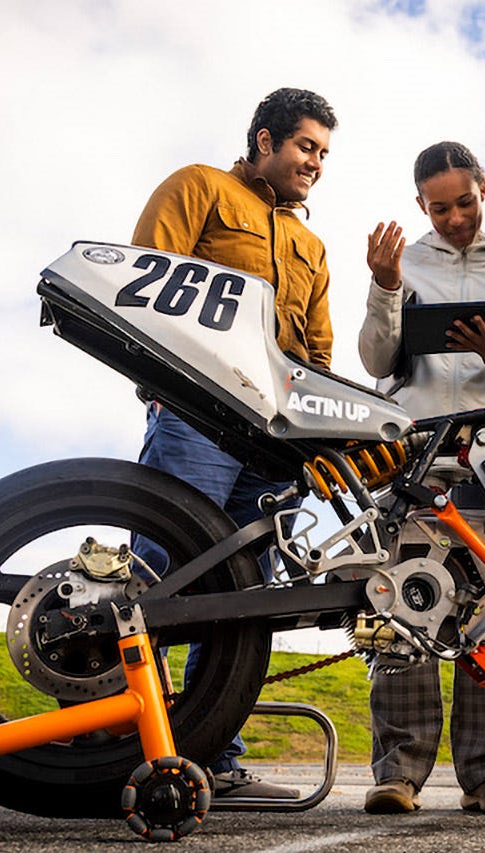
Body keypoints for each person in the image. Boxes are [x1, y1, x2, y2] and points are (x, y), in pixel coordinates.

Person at [129, 87, 337, 801]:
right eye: (307, 147)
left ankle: (213, 756)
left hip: (274, 440)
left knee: (244, 595)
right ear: (264, 139)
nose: (316, 163)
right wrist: (160, 387)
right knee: (155, 574)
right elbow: (147, 284)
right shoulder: (199, 188)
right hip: (195, 417)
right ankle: (117, 745)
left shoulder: (312, 247)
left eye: (323, 153)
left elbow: (316, 350)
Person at [358, 141, 485, 815]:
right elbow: (376, 358)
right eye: (439, 208)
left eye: (465, 203)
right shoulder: (404, 263)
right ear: (421, 205)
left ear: (484, 189)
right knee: (405, 613)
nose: (453, 218)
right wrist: (386, 287)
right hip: (415, 463)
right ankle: (398, 773)